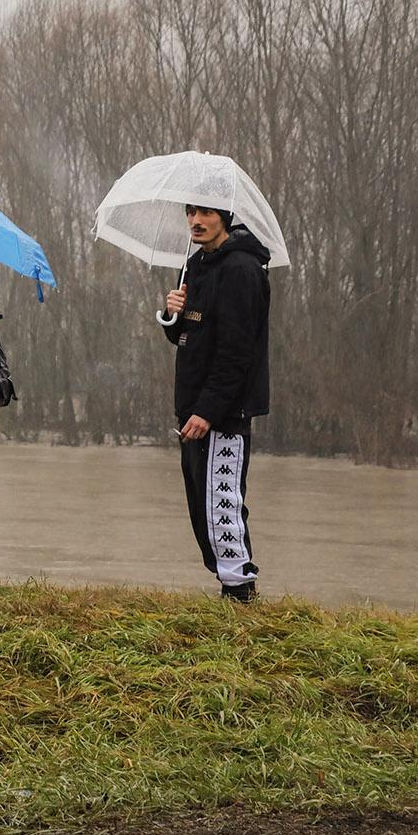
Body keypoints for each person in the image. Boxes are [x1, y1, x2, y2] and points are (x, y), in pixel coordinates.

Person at [159, 203, 272, 602]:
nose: (195, 221)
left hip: (223, 413)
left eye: (205, 213)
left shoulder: (241, 269)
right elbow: (188, 336)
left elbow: (236, 353)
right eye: (190, 213)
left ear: (224, 218)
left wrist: (207, 411)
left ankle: (241, 590)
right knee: (200, 506)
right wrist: (170, 316)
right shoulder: (196, 264)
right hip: (191, 406)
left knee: (221, 501)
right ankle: (229, 585)